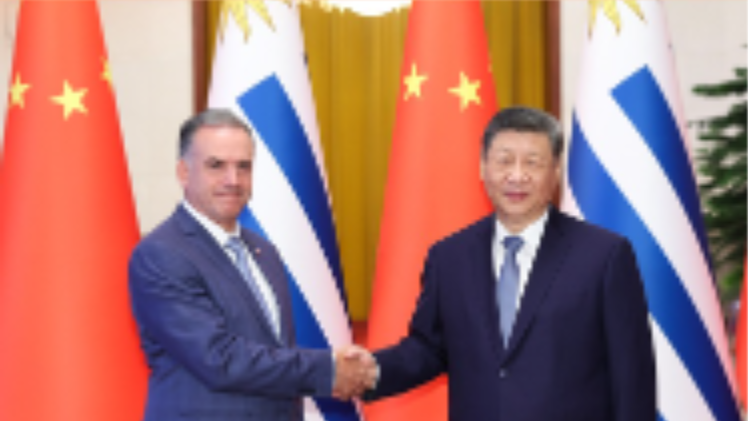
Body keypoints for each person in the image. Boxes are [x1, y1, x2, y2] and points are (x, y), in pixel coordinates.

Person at [356, 106, 656, 421]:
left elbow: (631, 375)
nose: (516, 175)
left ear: (556, 172)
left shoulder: (604, 256)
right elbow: (428, 349)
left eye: (532, 162)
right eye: (504, 160)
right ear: (482, 167)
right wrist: (370, 370)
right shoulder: (449, 257)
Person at [128, 109, 374, 421]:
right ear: (184, 172)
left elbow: (274, 352)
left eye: (243, 166)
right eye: (216, 165)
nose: (233, 180)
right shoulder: (161, 253)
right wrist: (330, 370)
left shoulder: (263, 252)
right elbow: (220, 358)